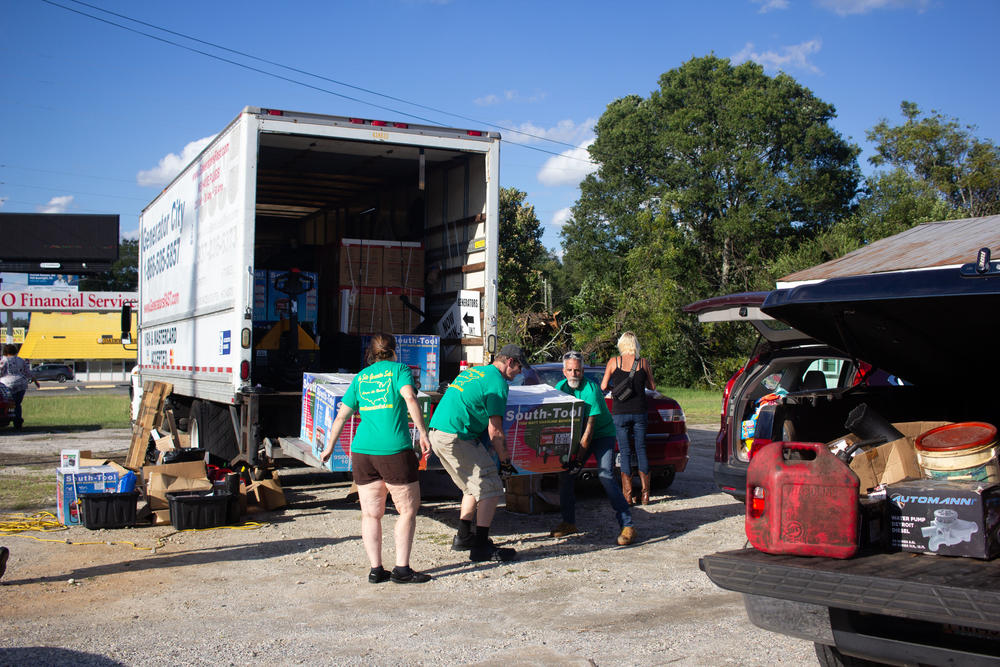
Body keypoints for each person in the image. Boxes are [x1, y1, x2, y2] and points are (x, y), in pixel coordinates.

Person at [320, 333, 433, 584]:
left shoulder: (361, 377)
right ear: (394, 351)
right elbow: (410, 397)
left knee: (371, 514)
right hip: (393, 450)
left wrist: (329, 446)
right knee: (407, 510)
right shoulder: (399, 369)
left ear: (370, 354)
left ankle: (375, 569)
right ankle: (402, 569)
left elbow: (342, 416)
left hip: (362, 452)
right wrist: (423, 433)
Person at [429, 344, 525, 563]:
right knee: (491, 486)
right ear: (509, 362)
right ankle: (481, 547)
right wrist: (505, 462)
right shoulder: (497, 383)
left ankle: (464, 536)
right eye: (519, 367)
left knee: (473, 487)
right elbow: (495, 429)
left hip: (438, 432)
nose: (520, 372)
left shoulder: (475, 371)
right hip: (456, 435)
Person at [551, 351, 636, 546]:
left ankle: (627, 525)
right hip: (577, 436)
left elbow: (589, 433)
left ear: (583, 371)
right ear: (564, 371)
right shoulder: (560, 388)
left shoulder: (592, 390)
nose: (574, 374)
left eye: (578, 370)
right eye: (570, 370)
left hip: (601, 434)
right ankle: (568, 522)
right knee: (565, 475)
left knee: (606, 475)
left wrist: (578, 461)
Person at [601, 332, 656, 505]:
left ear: (621, 344)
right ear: (636, 344)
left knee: (624, 452)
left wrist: (617, 389)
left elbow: (603, 386)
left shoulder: (613, 362)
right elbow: (652, 386)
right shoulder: (643, 363)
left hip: (620, 412)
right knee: (641, 449)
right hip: (639, 412)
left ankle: (628, 495)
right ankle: (646, 494)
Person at [0, 344, 40, 431]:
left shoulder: (3, 360)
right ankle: (18, 422)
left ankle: (7, 418)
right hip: (21, 383)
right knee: (17, 404)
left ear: (5, 352)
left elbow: (1, 371)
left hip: (7, 384)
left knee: (9, 403)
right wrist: (35, 381)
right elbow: (27, 372)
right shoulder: (20, 360)